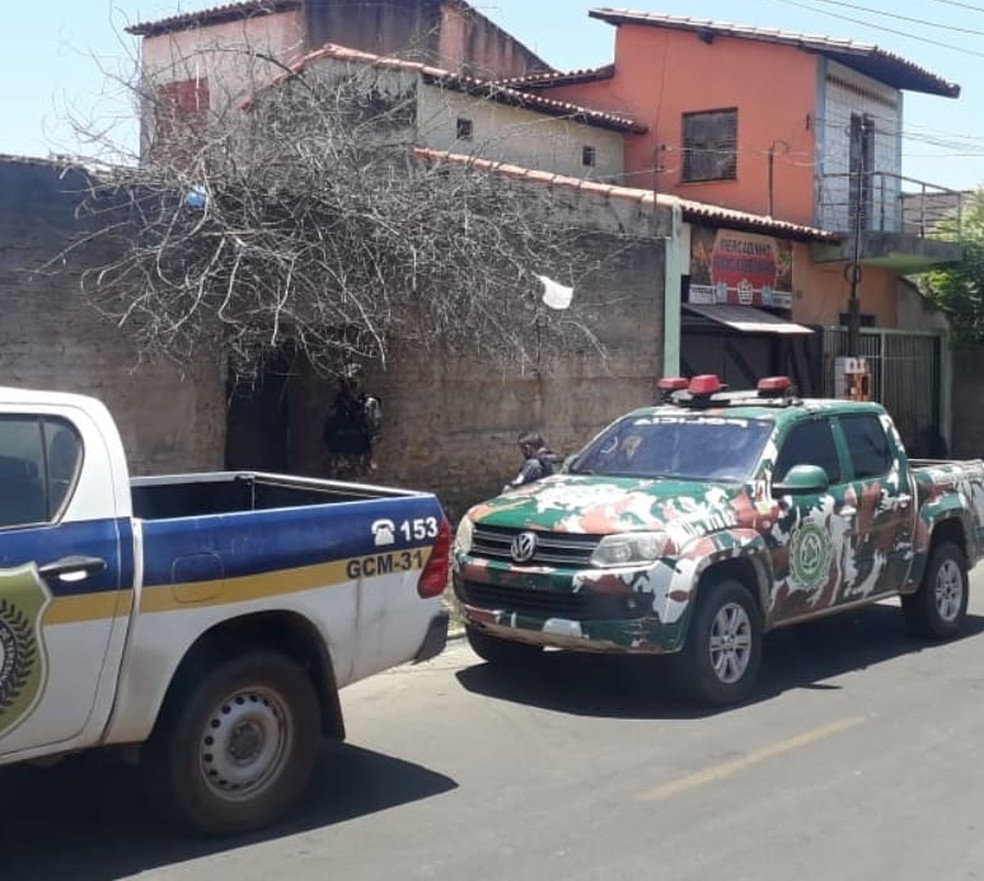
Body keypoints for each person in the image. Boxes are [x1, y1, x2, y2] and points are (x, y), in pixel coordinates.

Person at [322, 364, 383, 480]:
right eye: (345, 382)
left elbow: (376, 436)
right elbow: (328, 431)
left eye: (351, 381)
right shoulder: (337, 403)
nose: (348, 386)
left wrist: (373, 460)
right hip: (338, 458)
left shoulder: (369, 404)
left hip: (359, 459)